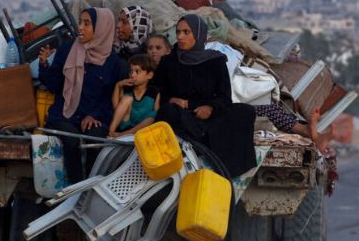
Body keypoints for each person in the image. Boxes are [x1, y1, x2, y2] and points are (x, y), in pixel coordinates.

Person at [153, 14, 257, 177]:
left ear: (198, 34)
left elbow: (224, 97)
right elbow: (156, 90)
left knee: (245, 111)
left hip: (209, 114)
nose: (180, 37)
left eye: (186, 32)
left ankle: (228, 171)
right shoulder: (169, 62)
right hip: (182, 115)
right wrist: (171, 99)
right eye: (178, 32)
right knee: (168, 112)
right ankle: (199, 141)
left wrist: (210, 107)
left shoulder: (215, 61)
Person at [38, 7, 125, 184]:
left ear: (101, 28)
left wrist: (95, 115)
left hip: (94, 117)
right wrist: (44, 64)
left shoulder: (113, 62)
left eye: (87, 24)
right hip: (65, 115)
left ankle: (93, 186)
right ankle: (75, 188)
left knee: (97, 139)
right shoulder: (68, 49)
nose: (81, 28)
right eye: (80, 22)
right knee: (71, 140)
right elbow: (55, 85)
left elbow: (111, 98)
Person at [109, 54, 160, 137]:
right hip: (126, 124)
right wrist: (118, 85)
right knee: (127, 99)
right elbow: (116, 107)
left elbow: (155, 114)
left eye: (137, 71)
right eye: (131, 71)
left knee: (152, 117)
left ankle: (124, 134)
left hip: (142, 129)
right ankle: (111, 132)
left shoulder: (154, 92)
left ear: (149, 75)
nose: (132, 75)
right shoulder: (127, 89)